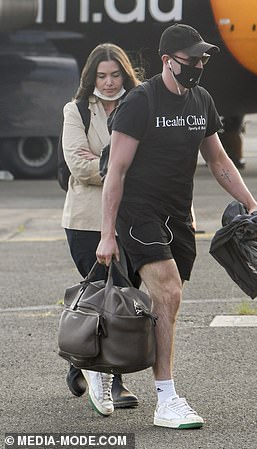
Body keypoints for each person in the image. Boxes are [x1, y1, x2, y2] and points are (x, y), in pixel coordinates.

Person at [96, 23, 257, 429]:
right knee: (167, 292)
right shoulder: (140, 102)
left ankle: (102, 363)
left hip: (178, 216)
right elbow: (115, 172)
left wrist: (252, 204)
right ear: (168, 61)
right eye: (192, 59)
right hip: (139, 213)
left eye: (203, 58)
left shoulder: (201, 100)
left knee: (162, 304)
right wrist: (106, 234)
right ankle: (166, 399)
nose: (200, 65)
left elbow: (219, 161)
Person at [61, 42, 141, 416]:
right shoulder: (75, 110)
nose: (109, 83)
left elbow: (153, 157)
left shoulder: (139, 104)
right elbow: (78, 163)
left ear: (125, 74)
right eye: (101, 76)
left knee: (125, 297)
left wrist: (106, 162)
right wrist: (123, 167)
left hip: (133, 218)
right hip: (86, 221)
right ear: (91, 77)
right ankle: (112, 378)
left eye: (115, 75)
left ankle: (81, 364)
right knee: (105, 299)